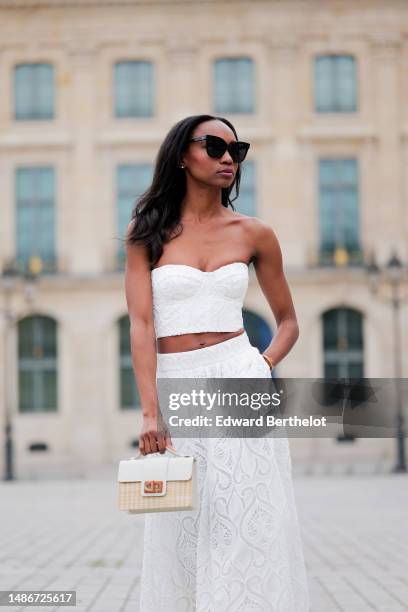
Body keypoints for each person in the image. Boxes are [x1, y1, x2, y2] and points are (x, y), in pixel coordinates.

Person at [125, 114, 311, 611]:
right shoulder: (147, 233)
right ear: (183, 154)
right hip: (177, 385)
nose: (228, 157)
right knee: (180, 526)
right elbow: (141, 327)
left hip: (240, 379)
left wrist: (261, 364)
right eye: (214, 146)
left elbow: (289, 320)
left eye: (237, 149)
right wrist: (149, 413)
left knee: (245, 522)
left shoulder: (254, 234)